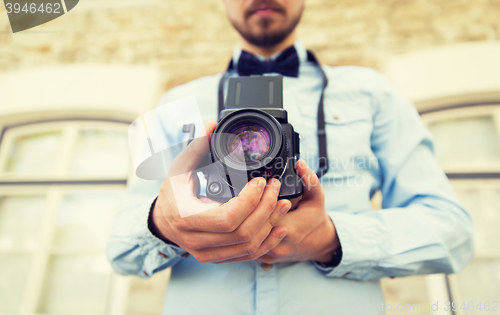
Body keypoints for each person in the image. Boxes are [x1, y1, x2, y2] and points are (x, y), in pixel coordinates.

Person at [106, 0, 474, 314]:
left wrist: (331, 239)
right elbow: (120, 246)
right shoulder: (176, 103)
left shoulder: (373, 93)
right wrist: (165, 224)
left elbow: (453, 231)